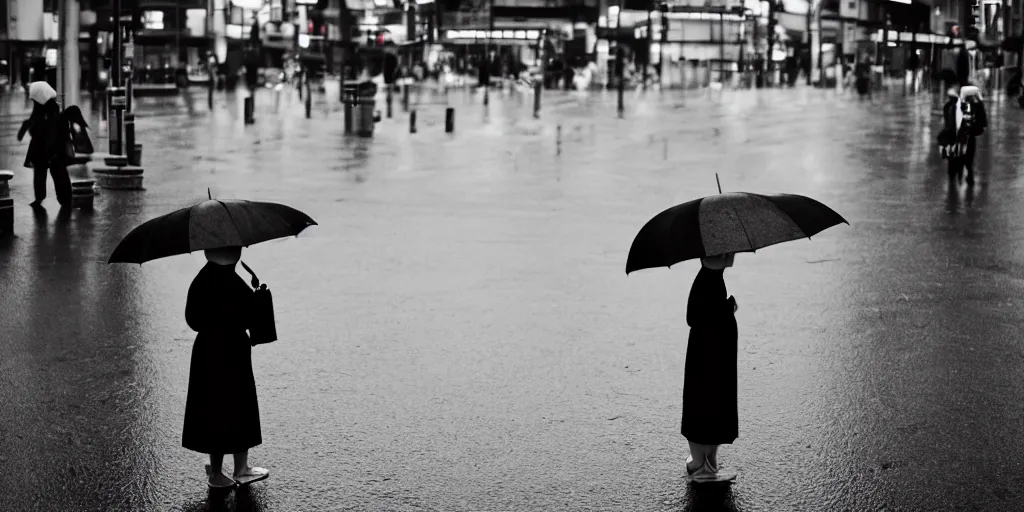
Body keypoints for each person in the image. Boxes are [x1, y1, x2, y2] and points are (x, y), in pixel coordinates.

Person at [184, 246, 270, 489]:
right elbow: (250, 319)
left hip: (207, 349)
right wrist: (256, 294)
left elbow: (192, 319)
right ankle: (241, 468)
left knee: (213, 405)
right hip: (234, 349)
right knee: (239, 405)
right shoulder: (236, 283)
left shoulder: (200, 281)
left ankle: (216, 471)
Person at [682, 253, 739, 483]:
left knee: (709, 398)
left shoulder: (712, 277)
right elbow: (695, 316)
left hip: (708, 352)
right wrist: (728, 309)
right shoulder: (707, 280)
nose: (733, 254)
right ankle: (700, 462)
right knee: (707, 398)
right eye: (729, 250)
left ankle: (706, 461)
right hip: (708, 353)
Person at [17, 81, 72, 209]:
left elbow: (53, 128)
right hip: (41, 147)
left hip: (51, 147)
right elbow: (35, 124)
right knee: (42, 173)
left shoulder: (53, 109)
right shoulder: (41, 108)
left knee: (56, 173)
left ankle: (64, 199)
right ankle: (42, 198)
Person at [939, 84, 987, 186]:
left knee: (956, 163)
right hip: (965, 137)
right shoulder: (974, 104)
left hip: (957, 138)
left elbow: (947, 123)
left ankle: (955, 188)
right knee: (967, 161)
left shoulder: (950, 105)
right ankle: (966, 180)